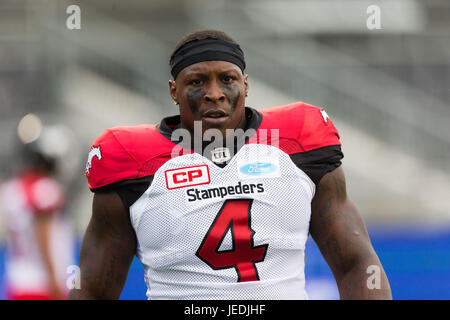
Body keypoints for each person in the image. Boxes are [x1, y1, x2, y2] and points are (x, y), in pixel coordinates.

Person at [68, 29, 392, 300]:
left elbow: (355, 262)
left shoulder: (298, 147)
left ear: (246, 85)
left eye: (227, 79)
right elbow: (92, 290)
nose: (214, 94)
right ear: (173, 91)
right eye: (196, 82)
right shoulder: (133, 163)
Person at [0, 123, 75, 300]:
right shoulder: (45, 189)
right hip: (43, 284)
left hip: (17, 281)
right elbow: (44, 241)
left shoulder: (12, 188)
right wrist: (55, 284)